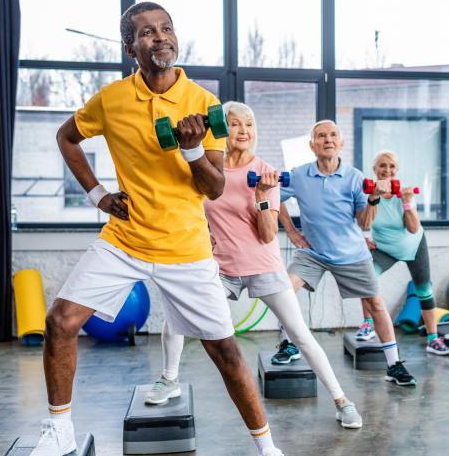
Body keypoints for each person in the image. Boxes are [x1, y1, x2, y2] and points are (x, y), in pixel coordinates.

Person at [26, 2, 293, 456]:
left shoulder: (203, 103)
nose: (160, 37)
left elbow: (213, 189)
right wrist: (98, 196)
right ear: (132, 48)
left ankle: (268, 453)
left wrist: (192, 149)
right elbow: (66, 137)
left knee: (226, 352)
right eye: (147, 32)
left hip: (185, 247)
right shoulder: (111, 100)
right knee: (61, 320)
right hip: (125, 238)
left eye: (167, 29)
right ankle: (58, 428)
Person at [148, 102, 362, 429]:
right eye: (235, 124)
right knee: (176, 315)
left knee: (300, 334)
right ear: (221, 129)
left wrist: (262, 193)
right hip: (220, 268)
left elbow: (265, 236)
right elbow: (187, 208)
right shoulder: (206, 169)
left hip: (263, 265)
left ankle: (342, 401)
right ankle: (169, 378)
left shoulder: (264, 171)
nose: (244, 131)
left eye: (249, 125)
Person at [277, 120, 417, 386]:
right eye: (321, 136)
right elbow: (272, 195)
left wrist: (374, 197)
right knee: (284, 291)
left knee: (375, 303)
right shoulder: (299, 175)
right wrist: (292, 232)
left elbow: (364, 223)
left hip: (351, 253)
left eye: (332, 135)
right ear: (312, 145)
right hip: (314, 252)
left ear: (340, 143)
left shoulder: (354, 178)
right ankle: (288, 344)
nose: (327, 139)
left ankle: (394, 365)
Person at [357, 150, 449, 355]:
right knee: (366, 278)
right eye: (382, 166)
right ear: (375, 169)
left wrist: (407, 202)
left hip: (413, 245)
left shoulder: (403, 194)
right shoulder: (368, 193)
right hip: (384, 249)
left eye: (392, 167)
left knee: (424, 290)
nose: (387, 170)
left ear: (397, 171)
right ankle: (367, 324)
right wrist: (361, 238)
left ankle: (433, 339)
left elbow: (413, 229)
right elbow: (364, 223)